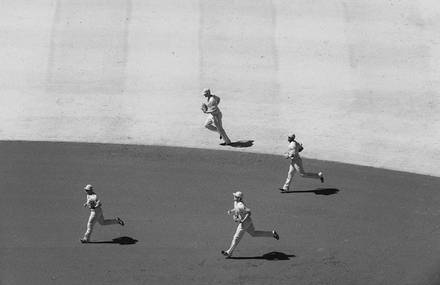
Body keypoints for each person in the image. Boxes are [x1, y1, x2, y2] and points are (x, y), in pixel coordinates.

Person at [221, 191, 279, 258]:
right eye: (234, 196)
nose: (234, 197)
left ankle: (229, 252)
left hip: (244, 223)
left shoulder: (241, 205)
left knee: (236, 237)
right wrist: (231, 211)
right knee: (254, 234)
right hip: (248, 222)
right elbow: (236, 208)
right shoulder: (236, 202)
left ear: (239, 198)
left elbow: (249, 212)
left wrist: (243, 220)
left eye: (236, 197)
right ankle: (272, 234)